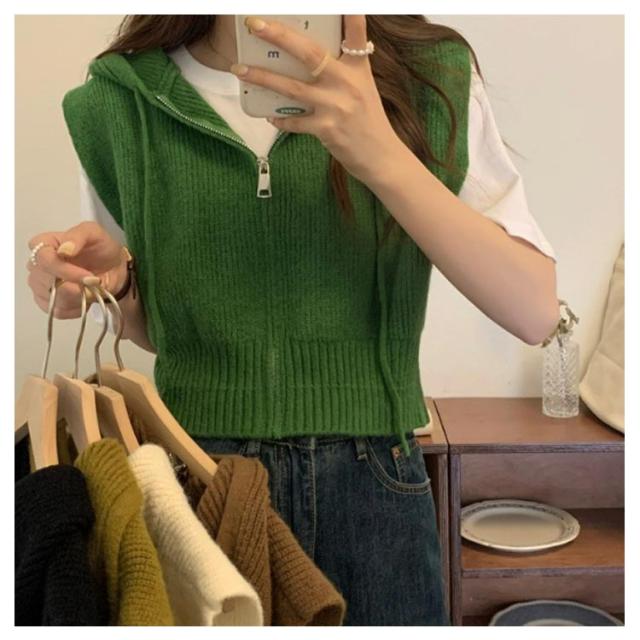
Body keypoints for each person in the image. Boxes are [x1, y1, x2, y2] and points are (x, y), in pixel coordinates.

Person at [25, 15, 559, 626]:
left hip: (377, 487)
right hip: (192, 483)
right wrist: (112, 288)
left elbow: (534, 309)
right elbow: (161, 327)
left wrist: (377, 149)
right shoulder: (118, 99)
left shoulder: (427, 75)